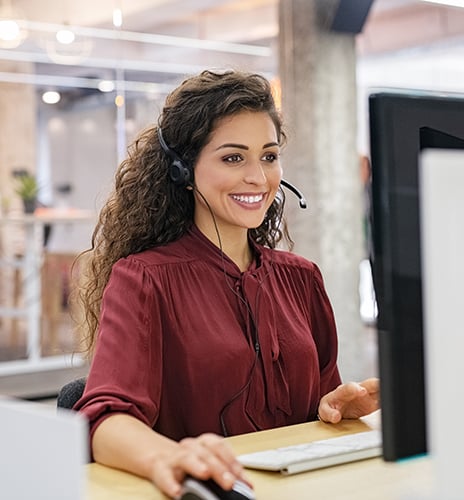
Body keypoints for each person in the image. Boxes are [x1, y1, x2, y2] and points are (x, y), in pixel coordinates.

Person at [73, 69, 379, 498]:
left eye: (269, 156)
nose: (258, 177)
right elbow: (102, 421)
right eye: (233, 157)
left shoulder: (301, 278)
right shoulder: (144, 279)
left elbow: (318, 403)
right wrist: (167, 457)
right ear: (183, 169)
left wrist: (335, 407)